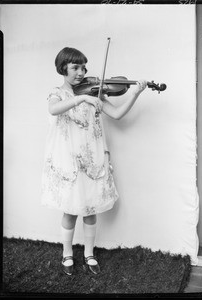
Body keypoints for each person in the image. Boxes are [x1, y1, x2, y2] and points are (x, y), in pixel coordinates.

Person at [41, 47, 147, 276]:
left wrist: (134, 94)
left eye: (83, 68)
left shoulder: (95, 92)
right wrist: (82, 98)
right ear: (63, 68)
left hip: (93, 159)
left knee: (90, 209)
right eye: (75, 67)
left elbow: (117, 114)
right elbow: (53, 109)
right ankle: (67, 253)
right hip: (69, 161)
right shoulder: (57, 93)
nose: (81, 72)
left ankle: (89, 253)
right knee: (70, 210)